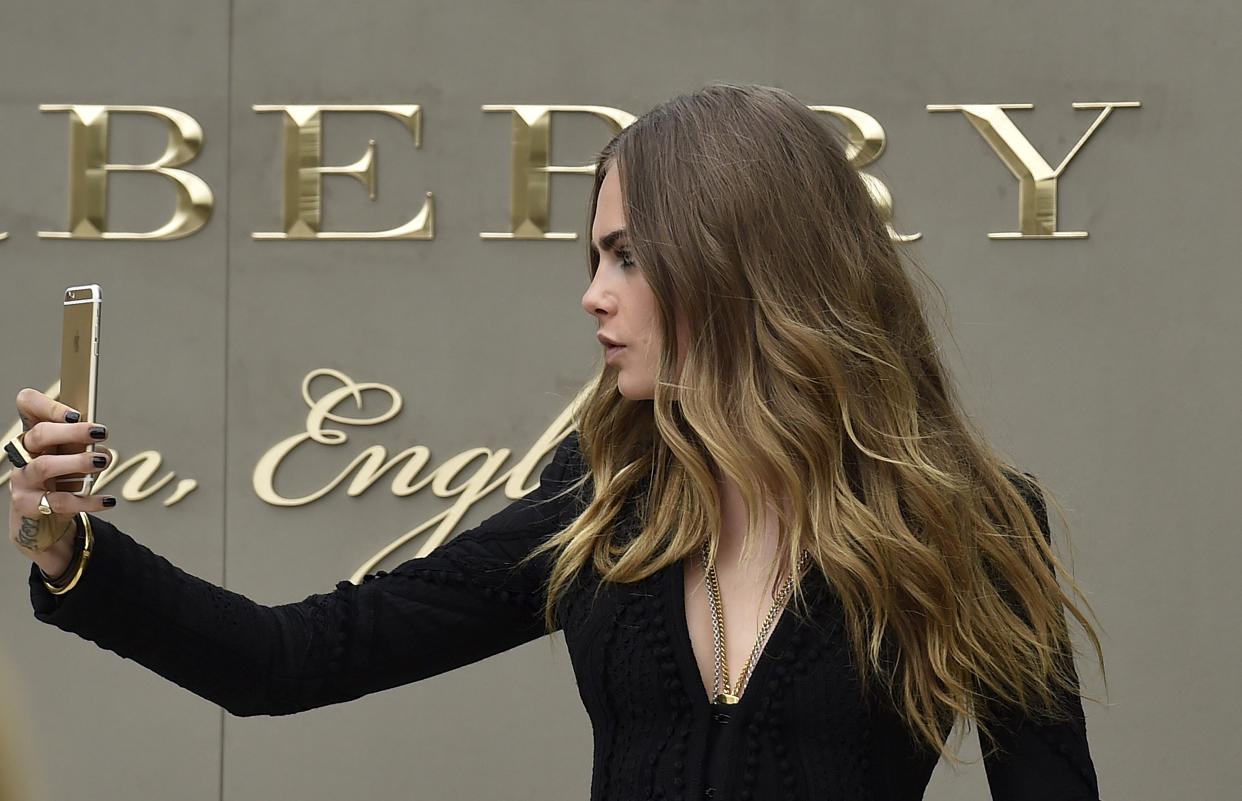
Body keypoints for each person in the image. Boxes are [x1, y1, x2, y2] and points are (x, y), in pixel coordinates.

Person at [6, 84, 1100, 800]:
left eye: (625, 257)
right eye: (592, 260)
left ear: (735, 261)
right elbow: (288, 661)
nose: (591, 297)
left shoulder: (971, 524)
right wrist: (73, 551)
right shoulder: (605, 503)